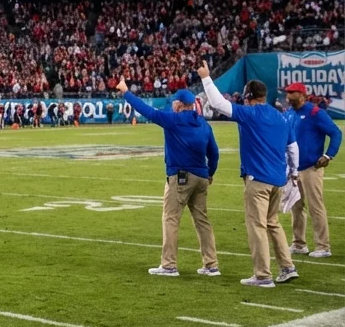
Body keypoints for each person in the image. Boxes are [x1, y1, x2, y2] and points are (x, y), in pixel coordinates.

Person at [198, 64, 299, 288]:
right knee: (273, 223)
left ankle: (263, 275)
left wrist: (206, 78)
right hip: (278, 180)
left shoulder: (251, 114)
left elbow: (218, 103)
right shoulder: (281, 117)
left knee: (257, 226)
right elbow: (293, 148)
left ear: (249, 97)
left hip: (258, 180)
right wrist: (294, 172)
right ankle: (287, 267)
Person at [119, 80, 221, 277]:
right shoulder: (204, 124)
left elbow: (147, 111)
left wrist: (126, 93)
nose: (172, 104)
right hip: (201, 177)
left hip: (180, 177)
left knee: (171, 218)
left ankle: (169, 265)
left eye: (175, 102)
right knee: (202, 221)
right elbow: (214, 153)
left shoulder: (173, 120)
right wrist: (210, 172)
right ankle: (211, 264)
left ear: (180, 104)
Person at [283, 82, 340, 258]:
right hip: (293, 168)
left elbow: (336, 133)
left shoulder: (315, 113)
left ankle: (323, 246)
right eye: (287, 92)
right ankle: (299, 243)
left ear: (302, 95)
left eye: (292, 92)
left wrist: (328, 155)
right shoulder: (288, 113)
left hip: (311, 167)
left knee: (316, 206)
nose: (288, 96)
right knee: (295, 206)